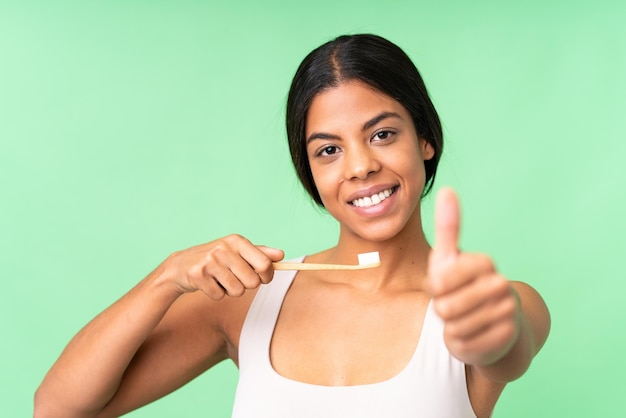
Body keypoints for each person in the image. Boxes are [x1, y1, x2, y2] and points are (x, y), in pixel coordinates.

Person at [34, 34, 550, 418]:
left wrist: (486, 324)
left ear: (425, 139)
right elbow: (57, 409)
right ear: (310, 170)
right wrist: (167, 277)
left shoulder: (499, 303)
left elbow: (506, 346)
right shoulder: (251, 300)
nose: (359, 167)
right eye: (328, 149)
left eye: (383, 134)